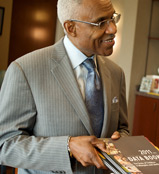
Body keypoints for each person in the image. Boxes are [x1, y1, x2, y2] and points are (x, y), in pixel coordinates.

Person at [0, 0, 129, 173]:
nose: (113, 29)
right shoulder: (25, 70)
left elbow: (123, 129)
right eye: (101, 22)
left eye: (112, 18)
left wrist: (120, 141)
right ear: (71, 28)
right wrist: (67, 147)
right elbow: (5, 145)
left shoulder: (116, 73)